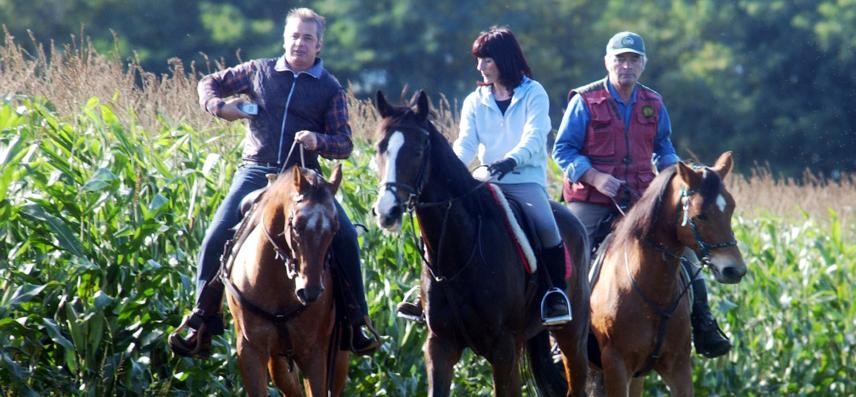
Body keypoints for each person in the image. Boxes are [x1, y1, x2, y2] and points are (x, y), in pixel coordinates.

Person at [168, 7, 380, 358]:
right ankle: (202, 318)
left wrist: (318, 140)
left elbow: (344, 143)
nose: (300, 43)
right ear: (285, 38)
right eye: (294, 36)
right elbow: (208, 83)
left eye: (308, 38)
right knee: (216, 234)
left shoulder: (330, 89)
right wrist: (219, 107)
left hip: (304, 179)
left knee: (346, 234)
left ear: (319, 45)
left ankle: (357, 321)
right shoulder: (259, 71)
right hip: (255, 170)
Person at [552, 31, 731, 358]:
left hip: (639, 198)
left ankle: (703, 323)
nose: (626, 65)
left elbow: (663, 148)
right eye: (620, 58)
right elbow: (562, 149)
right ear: (607, 61)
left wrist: (678, 174)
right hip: (590, 199)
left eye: (633, 59)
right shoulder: (585, 100)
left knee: (685, 251)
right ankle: (561, 336)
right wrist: (594, 176)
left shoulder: (653, 102)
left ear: (643, 64)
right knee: (575, 254)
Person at [396, 26, 572, 327]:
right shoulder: (474, 100)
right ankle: (425, 295)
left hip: (524, 180)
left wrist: (510, 161)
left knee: (546, 225)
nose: (480, 66)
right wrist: (449, 167)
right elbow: (465, 143)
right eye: (478, 60)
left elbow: (534, 136)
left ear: (505, 59)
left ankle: (555, 293)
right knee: (443, 220)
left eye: (486, 59)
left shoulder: (534, 93)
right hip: (485, 179)